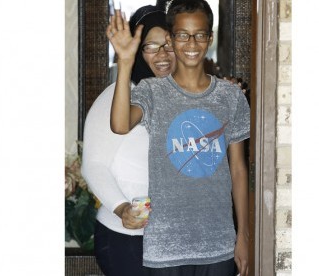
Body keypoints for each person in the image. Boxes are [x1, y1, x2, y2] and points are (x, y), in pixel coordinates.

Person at [109, 0, 250, 275]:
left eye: (199, 34)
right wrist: (125, 62)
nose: (192, 43)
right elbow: (120, 125)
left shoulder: (230, 97)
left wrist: (243, 236)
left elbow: (238, 170)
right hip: (165, 247)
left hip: (218, 244)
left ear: (209, 38)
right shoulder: (152, 91)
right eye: (183, 35)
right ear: (172, 40)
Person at [81, 5, 176, 276]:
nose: (162, 54)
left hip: (172, 238)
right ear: (137, 50)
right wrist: (122, 208)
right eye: (150, 46)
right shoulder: (120, 97)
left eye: (169, 44)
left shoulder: (184, 98)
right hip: (125, 238)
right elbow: (94, 165)